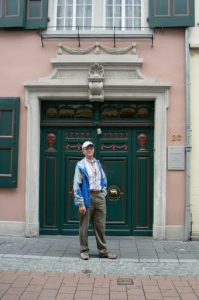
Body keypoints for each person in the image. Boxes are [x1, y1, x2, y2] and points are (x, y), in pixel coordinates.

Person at [73, 141, 117, 260]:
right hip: (88, 197)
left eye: (91, 148)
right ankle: (84, 250)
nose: (89, 150)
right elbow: (76, 185)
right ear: (83, 151)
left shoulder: (97, 163)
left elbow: (103, 178)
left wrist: (103, 192)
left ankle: (103, 251)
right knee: (84, 226)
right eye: (87, 149)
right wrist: (80, 203)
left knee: (100, 226)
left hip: (99, 197)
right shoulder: (80, 165)